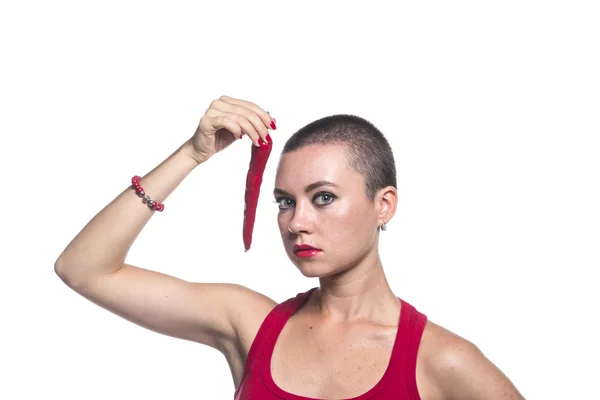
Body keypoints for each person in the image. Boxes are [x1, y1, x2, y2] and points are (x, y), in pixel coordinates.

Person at [55, 95, 525, 399]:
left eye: (323, 198)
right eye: (285, 202)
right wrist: (191, 154)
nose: (297, 222)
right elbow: (84, 268)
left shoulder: (440, 359)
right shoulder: (252, 325)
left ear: (383, 205)